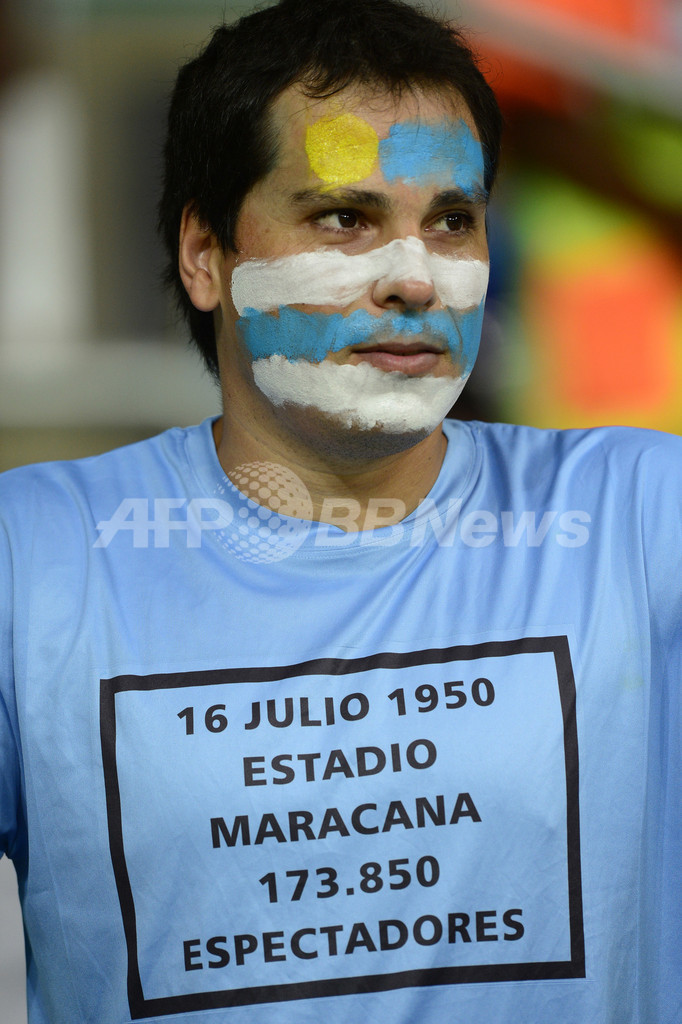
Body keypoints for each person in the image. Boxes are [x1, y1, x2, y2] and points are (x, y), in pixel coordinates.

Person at [0, 0, 680, 1021]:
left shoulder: (640, 517)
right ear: (205, 255)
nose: (415, 278)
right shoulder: (34, 556)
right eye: (344, 219)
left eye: (450, 220)